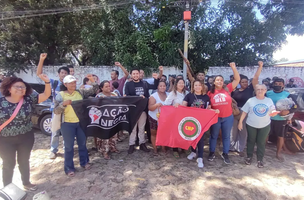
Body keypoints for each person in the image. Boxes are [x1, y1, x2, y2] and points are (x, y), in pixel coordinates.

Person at [0, 74, 51, 190]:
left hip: (26, 137)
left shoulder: (28, 99)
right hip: (5, 139)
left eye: (23, 87)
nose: (21, 89)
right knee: (8, 164)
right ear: (9, 88)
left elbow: (46, 95)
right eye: (17, 87)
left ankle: (26, 183)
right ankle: (8, 188)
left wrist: (47, 82)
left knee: (24, 161)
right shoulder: (1, 102)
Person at [54, 74, 98, 177]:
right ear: (65, 84)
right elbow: (56, 111)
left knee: (82, 144)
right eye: (71, 83)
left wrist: (92, 81)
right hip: (67, 124)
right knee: (69, 147)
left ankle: (84, 162)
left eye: (74, 82)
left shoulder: (80, 92)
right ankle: (69, 168)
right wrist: (63, 104)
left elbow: (94, 90)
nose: (73, 84)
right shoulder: (60, 95)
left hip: (80, 123)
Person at [36, 53, 70, 159]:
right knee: (55, 131)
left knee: (66, 131)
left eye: (65, 73)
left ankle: (66, 149)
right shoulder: (54, 83)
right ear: (58, 74)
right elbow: (39, 74)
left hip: (67, 110)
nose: (64, 75)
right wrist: (41, 60)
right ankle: (53, 150)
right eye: (62, 73)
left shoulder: (70, 84)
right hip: (56, 110)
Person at [238, 84, 279, 168]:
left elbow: (272, 110)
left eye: (262, 89)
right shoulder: (250, 100)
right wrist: (240, 122)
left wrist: (274, 113)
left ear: (265, 91)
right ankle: (249, 157)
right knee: (250, 141)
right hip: (251, 124)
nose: (260, 91)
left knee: (261, 142)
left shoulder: (269, 100)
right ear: (255, 91)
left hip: (265, 125)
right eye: (258, 89)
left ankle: (260, 159)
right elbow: (244, 112)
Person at [207, 62, 240, 164]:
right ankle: (211, 152)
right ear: (214, 82)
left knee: (226, 136)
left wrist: (234, 68)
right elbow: (207, 106)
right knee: (214, 136)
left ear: (223, 82)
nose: (219, 82)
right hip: (216, 118)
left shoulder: (227, 89)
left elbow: (237, 80)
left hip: (228, 117)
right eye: (217, 80)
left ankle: (225, 154)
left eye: (221, 80)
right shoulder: (210, 93)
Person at [182, 80, 219, 168]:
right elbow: (183, 107)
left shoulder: (206, 97)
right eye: (196, 85)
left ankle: (200, 157)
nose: (197, 87)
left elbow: (208, 108)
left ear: (202, 87)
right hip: (191, 121)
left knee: (200, 139)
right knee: (192, 136)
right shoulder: (189, 96)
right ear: (193, 87)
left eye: (199, 85)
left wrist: (215, 111)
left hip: (202, 121)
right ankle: (193, 152)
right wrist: (177, 106)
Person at [230, 61, 263, 156]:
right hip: (235, 112)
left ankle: (240, 148)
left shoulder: (250, 90)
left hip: (245, 113)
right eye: (242, 82)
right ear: (239, 83)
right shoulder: (235, 91)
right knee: (233, 130)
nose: (245, 83)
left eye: (246, 82)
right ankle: (231, 147)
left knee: (243, 130)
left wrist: (260, 66)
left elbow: (256, 78)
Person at [125, 68, 161, 154]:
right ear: (131, 75)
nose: (135, 75)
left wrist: (156, 79)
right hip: (133, 110)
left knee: (142, 127)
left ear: (139, 74)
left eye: (137, 73)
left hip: (143, 109)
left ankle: (142, 144)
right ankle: (131, 144)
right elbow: (127, 96)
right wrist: (138, 98)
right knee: (133, 128)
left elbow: (155, 86)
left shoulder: (144, 83)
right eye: (133, 74)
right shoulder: (128, 84)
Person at [266, 78, 297, 161]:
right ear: (273, 84)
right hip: (268, 118)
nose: (278, 85)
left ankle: (278, 153)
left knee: (280, 137)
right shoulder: (267, 93)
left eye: (280, 84)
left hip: (281, 119)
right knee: (265, 135)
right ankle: (262, 150)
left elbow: (295, 106)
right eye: (276, 84)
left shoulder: (287, 95)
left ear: (283, 85)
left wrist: (288, 111)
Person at [165, 78, 188, 158]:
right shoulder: (173, 93)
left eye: (183, 83)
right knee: (175, 133)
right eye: (179, 83)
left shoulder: (187, 93)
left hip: (185, 116)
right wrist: (174, 106)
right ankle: (175, 150)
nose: (181, 85)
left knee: (184, 132)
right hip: (175, 116)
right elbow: (166, 104)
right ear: (176, 84)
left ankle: (183, 147)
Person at [95, 81, 119, 159]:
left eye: (109, 86)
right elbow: (95, 107)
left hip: (113, 118)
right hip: (103, 119)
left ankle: (113, 147)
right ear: (101, 88)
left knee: (114, 134)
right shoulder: (99, 96)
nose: (109, 88)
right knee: (104, 136)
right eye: (106, 86)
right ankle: (104, 151)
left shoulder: (114, 95)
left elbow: (120, 103)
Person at [148, 81, 168, 155]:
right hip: (154, 117)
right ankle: (155, 148)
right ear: (158, 87)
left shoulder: (169, 95)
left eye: (164, 86)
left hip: (165, 118)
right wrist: (156, 105)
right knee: (154, 133)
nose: (162, 87)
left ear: (166, 87)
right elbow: (150, 108)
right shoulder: (153, 96)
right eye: (161, 86)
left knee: (163, 133)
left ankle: (163, 147)